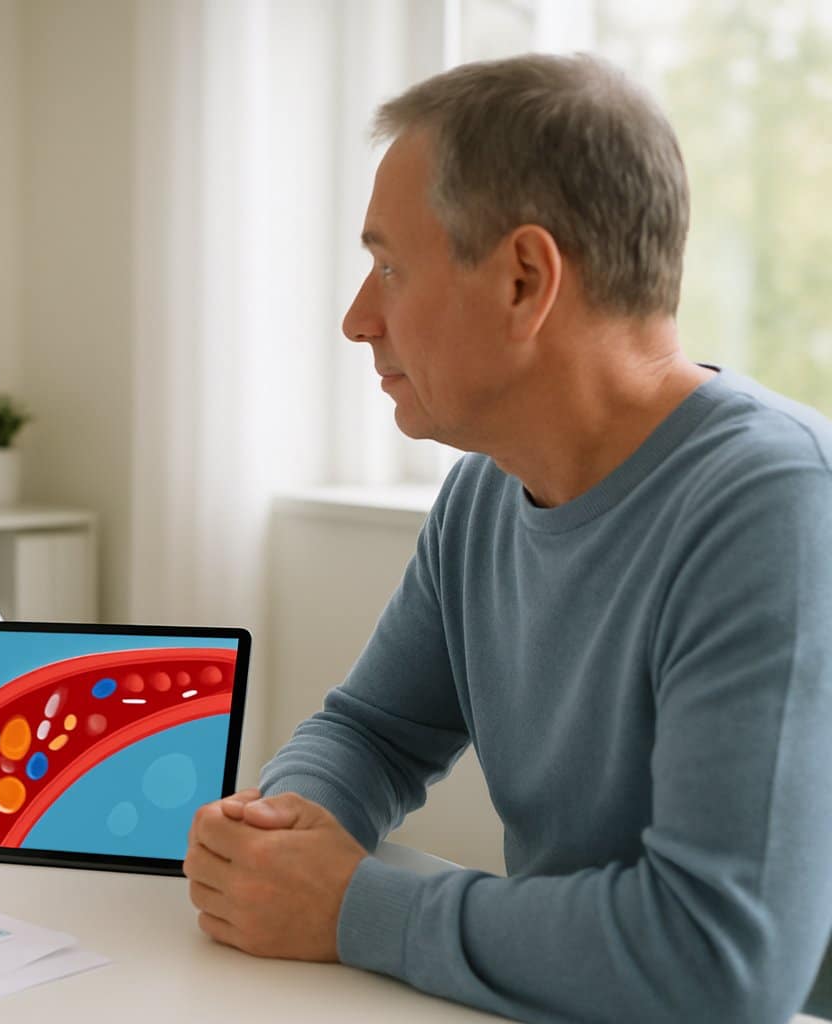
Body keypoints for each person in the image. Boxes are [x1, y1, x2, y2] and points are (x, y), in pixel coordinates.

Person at [185, 53, 832, 1022]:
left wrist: (353, 907)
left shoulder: (777, 505)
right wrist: (287, 829)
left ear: (526, 279)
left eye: (390, 267)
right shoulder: (485, 493)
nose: (358, 319)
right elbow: (371, 731)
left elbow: (720, 959)